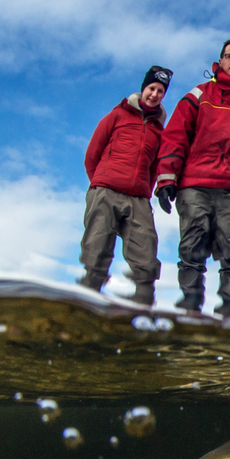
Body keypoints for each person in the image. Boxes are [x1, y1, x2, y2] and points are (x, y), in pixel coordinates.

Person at [154, 36, 230, 317]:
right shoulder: (197, 95)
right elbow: (175, 137)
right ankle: (190, 306)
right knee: (191, 247)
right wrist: (166, 180)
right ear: (219, 60)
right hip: (194, 183)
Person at [78, 66, 172, 305]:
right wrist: (101, 183)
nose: (155, 94)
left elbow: (154, 169)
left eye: (160, 91)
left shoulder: (159, 131)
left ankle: (141, 314)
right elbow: (92, 154)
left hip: (138, 199)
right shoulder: (117, 116)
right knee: (96, 256)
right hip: (105, 193)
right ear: (143, 89)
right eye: (152, 88)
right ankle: (86, 307)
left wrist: (144, 192)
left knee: (146, 260)